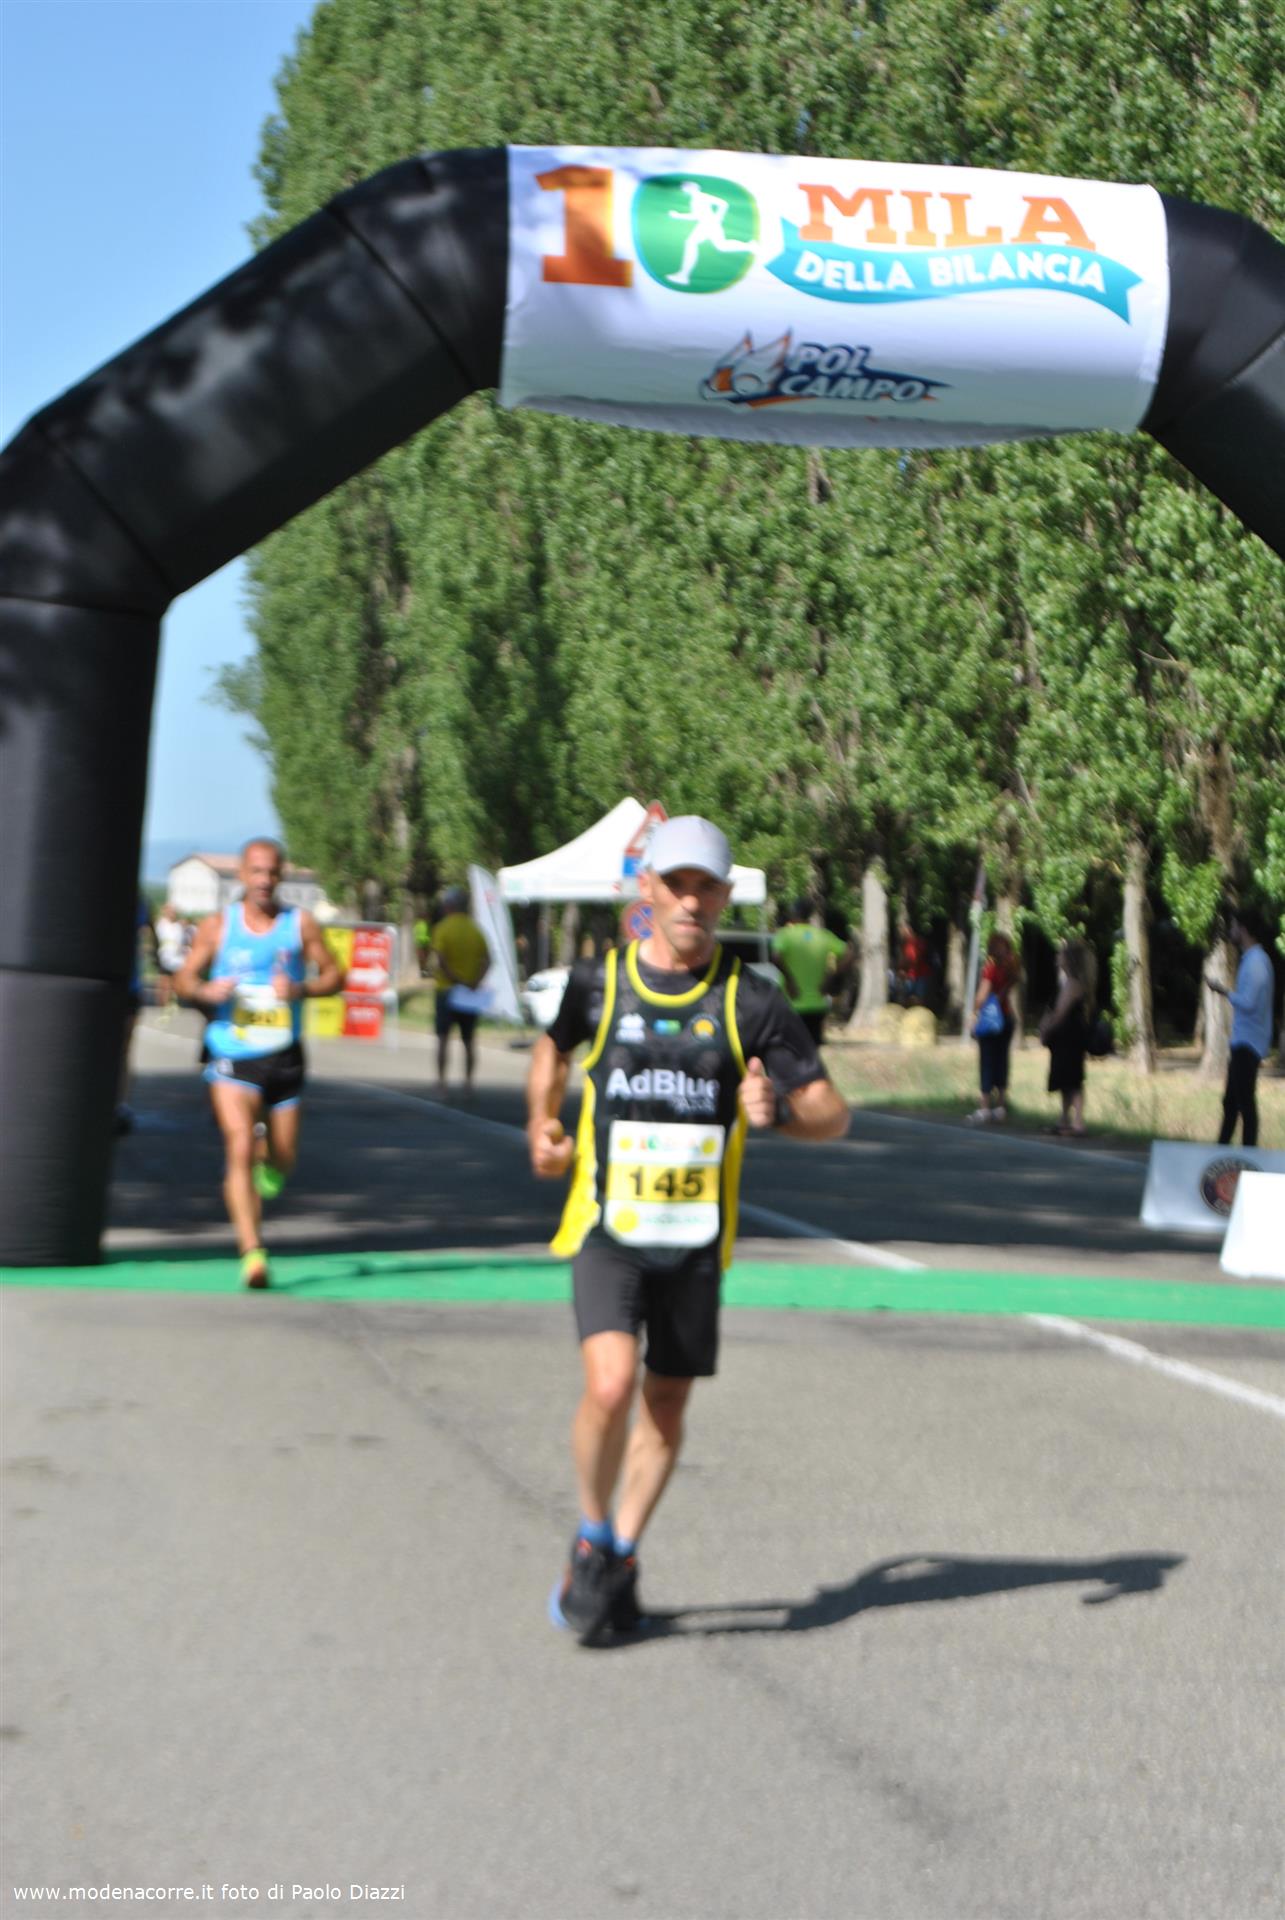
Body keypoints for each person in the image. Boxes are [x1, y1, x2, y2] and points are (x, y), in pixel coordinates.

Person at [526, 817, 850, 1645]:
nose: (690, 901)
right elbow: (551, 1050)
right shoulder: (599, 983)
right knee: (609, 1386)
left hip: (696, 1240)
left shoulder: (751, 1000)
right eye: (676, 884)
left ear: (724, 895)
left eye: (706, 886)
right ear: (647, 888)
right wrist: (542, 1126)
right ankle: (590, 1535)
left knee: (664, 1406)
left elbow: (832, 1113)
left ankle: (622, 1552)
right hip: (607, 1227)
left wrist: (778, 1112)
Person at [174, 839, 342, 1288]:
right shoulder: (218, 926)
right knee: (239, 1145)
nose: (264, 880)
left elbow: (335, 975)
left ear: (281, 875)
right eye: (257, 872)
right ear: (243, 875)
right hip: (232, 1053)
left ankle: (271, 1155)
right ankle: (252, 1252)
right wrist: (204, 990)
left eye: (272, 872)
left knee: (283, 1160)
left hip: (284, 1056)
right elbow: (184, 978)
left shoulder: (299, 925)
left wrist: (301, 990)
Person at [1207, 907, 1276, 1147]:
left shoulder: (1256, 962)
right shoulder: (1253, 960)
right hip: (1243, 1041)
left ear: (1244, 929)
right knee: (1231, 1102)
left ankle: (1247, 1154)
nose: (1232, 930)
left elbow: (1249, 1003)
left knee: (1244, 1102)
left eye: (1235, 926)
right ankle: (1221, 1150)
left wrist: (1224, 991)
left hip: (1249, 1043)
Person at [429, 886, 491, 1090]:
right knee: (469, 1040)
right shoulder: (475, 930)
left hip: (447, 990)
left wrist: (456, 979)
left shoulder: (443, 928)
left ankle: (441, 1083)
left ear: (449, 906)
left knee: (443, 1038)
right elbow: (487, 960)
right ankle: (468, 1083)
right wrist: (475, 981)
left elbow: (440, 960)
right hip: (469, 992)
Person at [772, 899, 854, 1046]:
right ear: (810, 916)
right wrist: (832, 976)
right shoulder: (823, 935)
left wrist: (789, 980)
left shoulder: (785, 935)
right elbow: (850, 954)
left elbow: (776, 957)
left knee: (792, 1047)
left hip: (792, 1003)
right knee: (812, 1049)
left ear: (793, 914)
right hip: (817, 1004)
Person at [1039, 937, 1096, 1136]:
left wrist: (1046, 1029)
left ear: (1070, 958)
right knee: (1065, 1079)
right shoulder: (1067, 981)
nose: (1057, 957)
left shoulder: (1073, 984)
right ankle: (1064, 1119)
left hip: (1070, 1037)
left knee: (1072, 1079)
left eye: (1061, 954)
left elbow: (1060, 1012)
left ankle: (1078, 1122)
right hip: (1066, 1037)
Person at [967, 931, 1022, 1124]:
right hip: (1006, 1017)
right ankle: (1001, 1105)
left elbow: (982, 996)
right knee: (1002, 1061)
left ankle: (984, 1107)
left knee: (987, 1061)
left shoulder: (991, 969)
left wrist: (974, 1013)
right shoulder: (1012, 968)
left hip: (991, 1020)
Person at [153, 901, 189, 1011]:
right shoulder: (161, 923)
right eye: (170, 911)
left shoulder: (178, 926)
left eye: (174, 911)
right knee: (164, 980)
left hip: (177, 957)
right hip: (164, 955)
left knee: (174, 980)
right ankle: (162, 1001)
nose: (172, 913)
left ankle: (171, 1001)